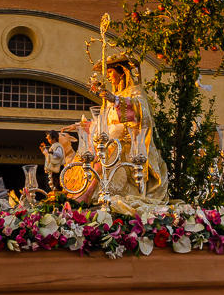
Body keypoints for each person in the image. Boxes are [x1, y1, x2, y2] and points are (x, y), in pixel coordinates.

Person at [64, 53, 168, 203]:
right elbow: (104, 122)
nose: (108, 76)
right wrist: (82, 126)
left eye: (110, 72)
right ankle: (82, 194)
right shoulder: (110, 98)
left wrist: (117, 100)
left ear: (121, 72)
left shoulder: (133, 91)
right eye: (107, 73)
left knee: (102, 163)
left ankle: (90, 195)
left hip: (127, 142)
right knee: (89, 160)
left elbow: (141, 110)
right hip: (109, 141)